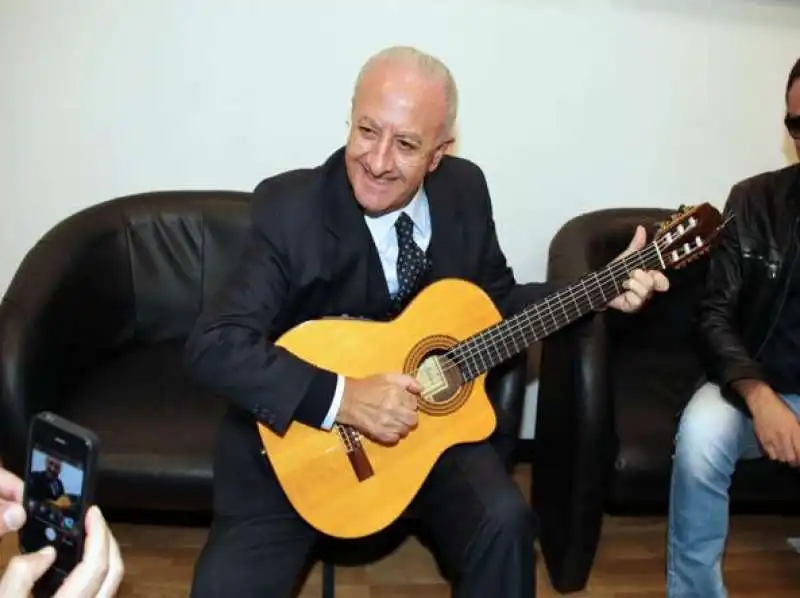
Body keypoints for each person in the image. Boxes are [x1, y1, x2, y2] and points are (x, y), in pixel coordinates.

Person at [184, 45, 669, 598]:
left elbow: (496, 304)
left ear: (440, 153)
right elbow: (215, 345)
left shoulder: (464, 191)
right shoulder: (289, 207)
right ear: (350, 115)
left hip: (428, 441)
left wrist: (598, 291)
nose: (378, 160)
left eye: (408, 144)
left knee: (506, 525)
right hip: (293, 449)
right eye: (367, 130)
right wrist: (345, 398)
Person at [666, 56, 800, 598]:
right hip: (750, 386)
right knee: (700, 437)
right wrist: (759, 395)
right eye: (797, 124)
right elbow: (713, 315)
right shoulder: (754, 200)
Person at [0, 466, 124, 597]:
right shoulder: (36, 477)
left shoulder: (58, 484)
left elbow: (61, 501)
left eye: (57, 468)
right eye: (52, 466)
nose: (54, 469)